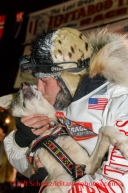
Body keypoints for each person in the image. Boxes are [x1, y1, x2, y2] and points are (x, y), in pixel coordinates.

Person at [3, 27, 128, 192]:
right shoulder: (59, 104)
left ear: (69, 77)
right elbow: (33, 167)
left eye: (45, 80)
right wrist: (22, 142)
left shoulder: (118, 99)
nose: (39, 88)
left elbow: (118, 182)